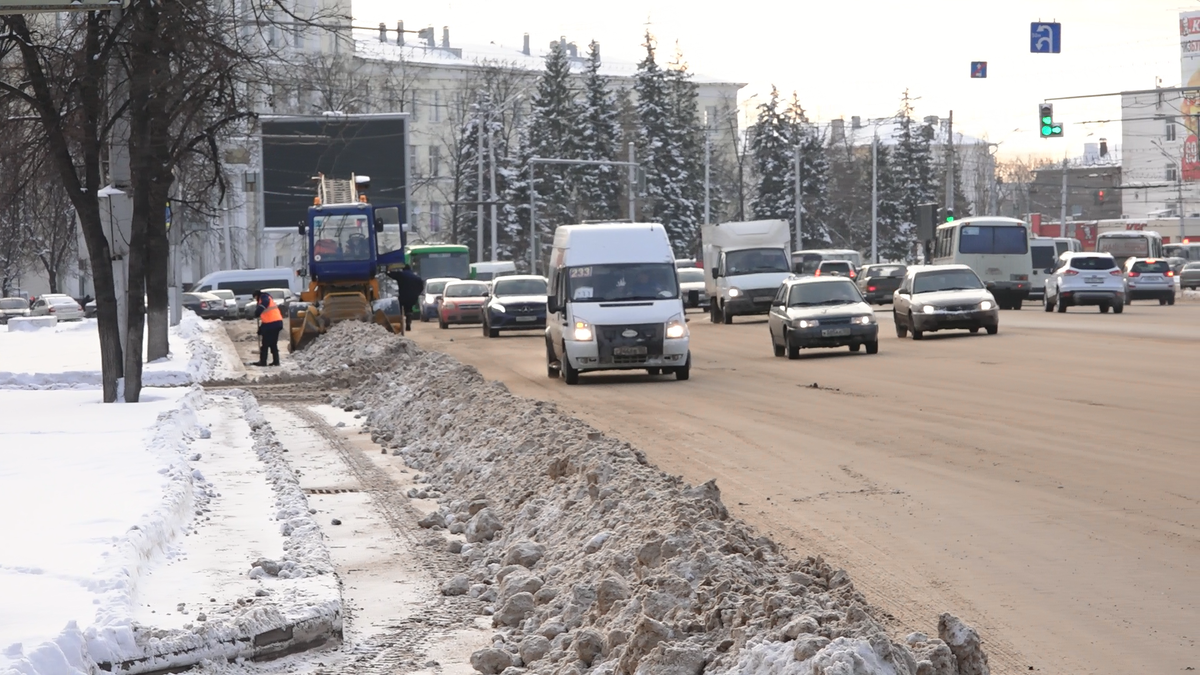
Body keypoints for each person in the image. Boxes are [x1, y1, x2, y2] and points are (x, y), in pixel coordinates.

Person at [387, 263, 425, 331]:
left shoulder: (401, 275)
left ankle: (400, 324)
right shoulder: (416, 277)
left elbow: (391, 275)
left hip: (403, 296)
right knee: (409, 310)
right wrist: (417, 293)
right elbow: (421, 287)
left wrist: (387, 270)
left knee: (400, 310)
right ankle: (408, 323)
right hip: (412, 297)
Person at [253, 289, 283, 366]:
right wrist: (261, 328)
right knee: (273, 343)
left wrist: (259, 310)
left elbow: (264, 304)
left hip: (272, 324)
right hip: (276, 323)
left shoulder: (264, 297)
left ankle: (263, 362)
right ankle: (276, 361)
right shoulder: (268, 298)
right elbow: (266, 317)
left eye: (255, 297)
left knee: (265, 344)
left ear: (257, 296)